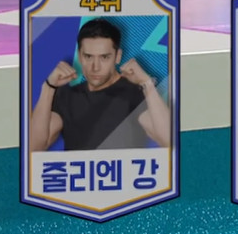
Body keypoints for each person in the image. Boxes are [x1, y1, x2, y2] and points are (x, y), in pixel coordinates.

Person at [29, 18, 172, 152]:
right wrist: (48, 87)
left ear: (117, 57)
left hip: (124, 170)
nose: (95, 67)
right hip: (78, 171)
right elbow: (34, 147)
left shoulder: (135, 94)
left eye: (104, 57)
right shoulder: (67, 96)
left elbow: (168, 139)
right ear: (79, 56)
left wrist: (147, 84)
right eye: (88, 56)